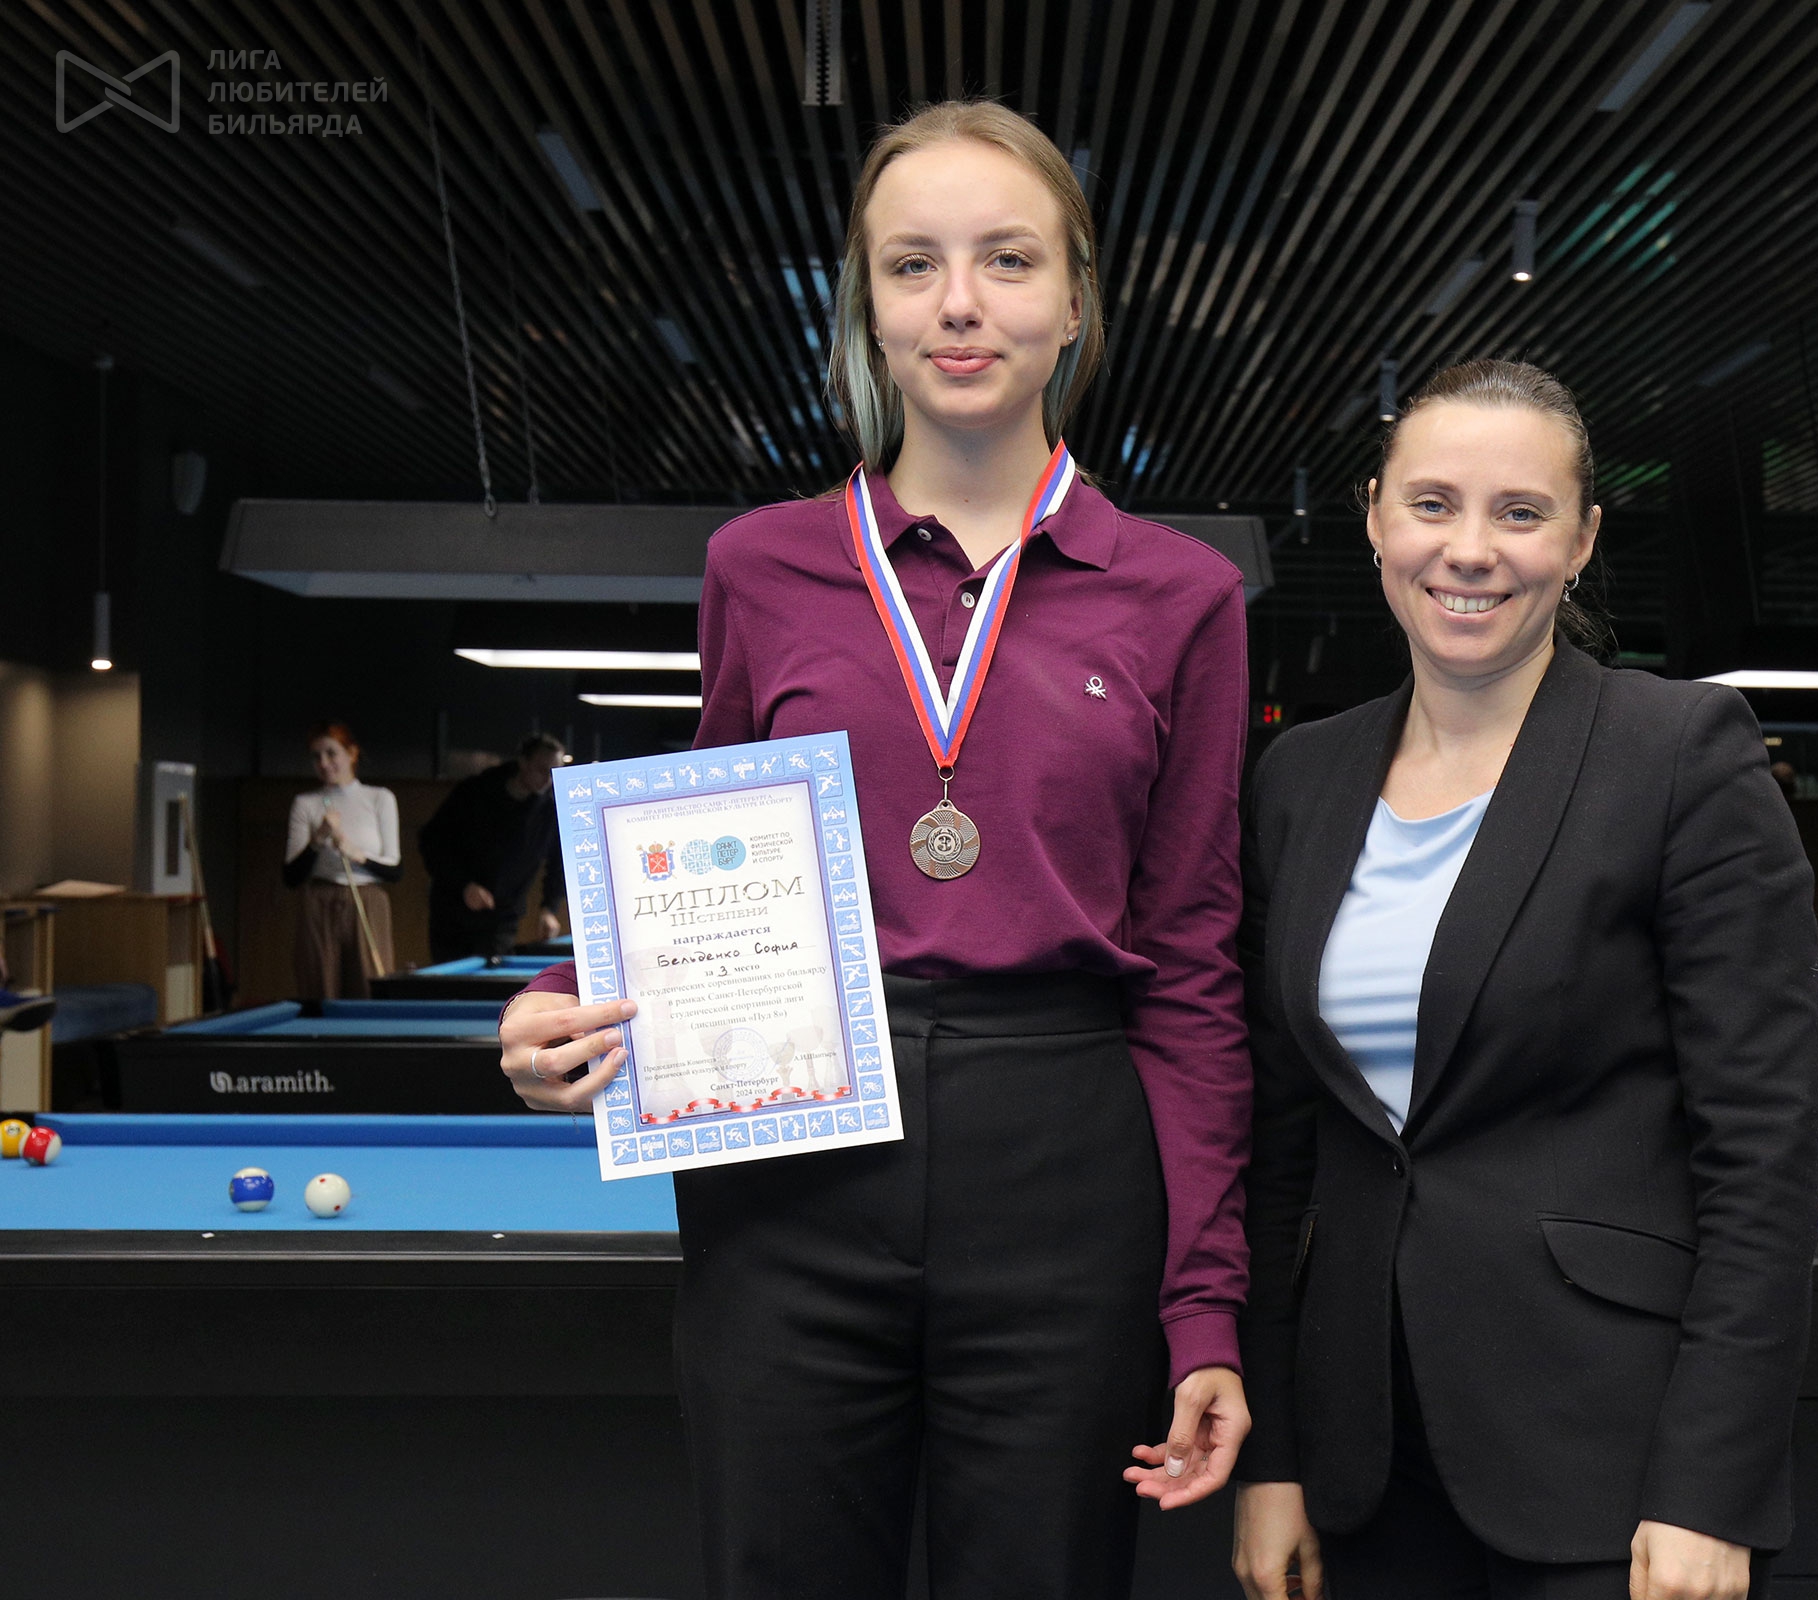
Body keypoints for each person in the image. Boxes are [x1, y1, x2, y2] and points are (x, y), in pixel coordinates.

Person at [493, 101, 1253, 1599]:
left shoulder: (1184, 596)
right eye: (914, 265)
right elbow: (702, 839)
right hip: (791, 1156)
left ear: (1076, 303)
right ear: (868, 309)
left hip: (1065, 1156)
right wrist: (559, 1002)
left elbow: (1193, 968)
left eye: (1008, 260)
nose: (960, 302)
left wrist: (1206, 1304)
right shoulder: (759, 566)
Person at [1230, 362, 1818, 1600]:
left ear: (1582, 539)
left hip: (1605, 1448)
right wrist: (1273, 1460)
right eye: (1433, 504)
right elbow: (1281, 1150)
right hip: (1363, 1447)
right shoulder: (1299, 779)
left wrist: (1708, 1488)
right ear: (1376, 517)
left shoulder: (1681, 753)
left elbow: (1762, 1155)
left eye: (1520, 512)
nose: (1470, 550)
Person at [418, 733, 570, 962]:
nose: (547, 780)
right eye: (542, 770)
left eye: (554, 773)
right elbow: (431, 842)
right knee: (450, 979)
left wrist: (549, 909)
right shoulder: (474, 792)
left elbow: (558, 864)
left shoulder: (550, 809)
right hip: (452, 912)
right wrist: (464, 885)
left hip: (501, 919)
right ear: (523, 762)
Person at [282, 722, 401, 1000]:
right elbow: (291, 876)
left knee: (370, 983)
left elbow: (395, 870)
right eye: (317, 757)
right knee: (319, 986)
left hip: (367, 899)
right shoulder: (306, 803)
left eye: (331, 753)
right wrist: (318, 838)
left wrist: (357, 854)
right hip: (320, 901)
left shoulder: (379, 798)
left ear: (352, 753)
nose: (324, 763)